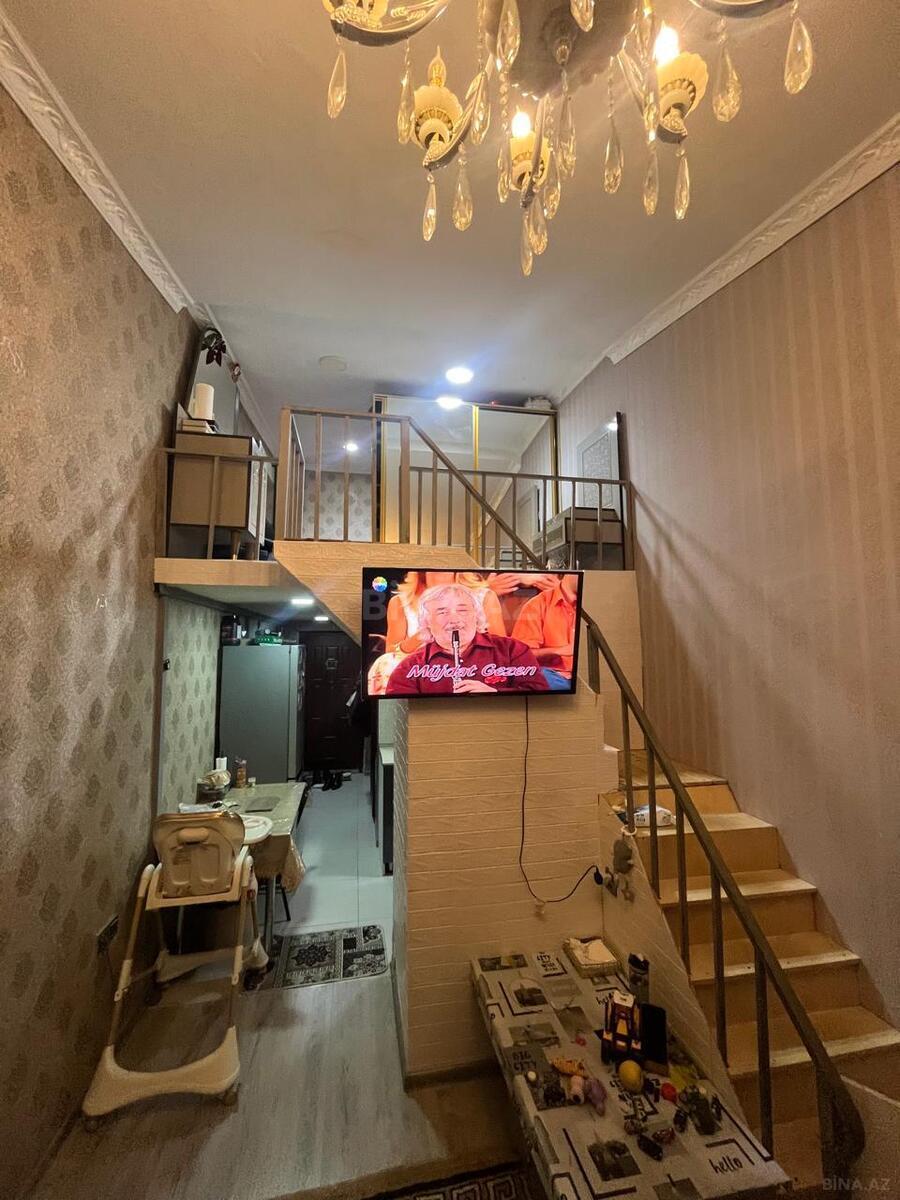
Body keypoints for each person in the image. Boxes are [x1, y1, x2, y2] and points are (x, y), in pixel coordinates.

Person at [385, 583, 548, 696]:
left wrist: (495, 693)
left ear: (477, 616)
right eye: (442, 612)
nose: (454, 620)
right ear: (427, 621)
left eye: (462, 610)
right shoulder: (409, 667)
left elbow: (539, 695)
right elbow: (398, 714)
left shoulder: (513, 650)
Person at [384, 570, 505, 653]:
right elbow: (389, 656)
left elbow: (502, 648)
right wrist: (424, 634)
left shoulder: (484, 597)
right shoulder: (400, 602)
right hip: (420, 674)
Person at [511, 572, 579, 686]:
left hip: (583, 677)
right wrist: (559, 651)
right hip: (553, 676)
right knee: (544, 677)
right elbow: (520, 656)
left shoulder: (593, 604)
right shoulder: (537, 604)